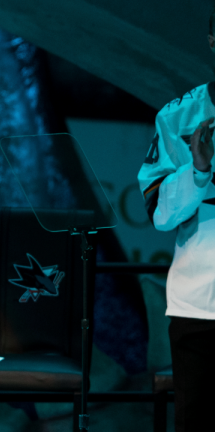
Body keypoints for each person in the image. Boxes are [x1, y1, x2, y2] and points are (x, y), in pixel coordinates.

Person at [138, 11, 215, 430]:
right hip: (200, 305)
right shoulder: (177, 117)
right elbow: (159, 215)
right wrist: (197, 170)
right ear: (211, 40)